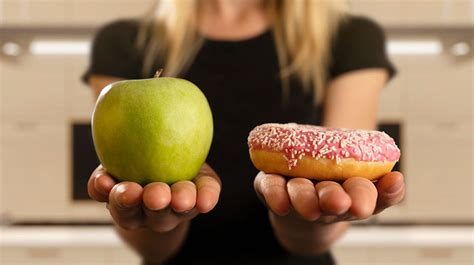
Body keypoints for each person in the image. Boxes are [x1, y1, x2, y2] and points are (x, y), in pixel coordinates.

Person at [84, 0, 405, 264]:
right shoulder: (124, 42)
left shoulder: (349, 37)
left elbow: (343, 175)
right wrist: (159, 221)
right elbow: (149, 245)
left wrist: (305, 221)